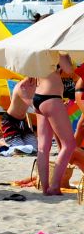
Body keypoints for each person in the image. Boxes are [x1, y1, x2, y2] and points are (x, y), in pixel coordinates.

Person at [27, 58, 80, 196]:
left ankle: (45, 188)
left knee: (43, 147)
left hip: (38, 97)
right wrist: (66, 58)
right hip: (51, 98)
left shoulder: (40, 51)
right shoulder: (57, 52)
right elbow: (69, 70)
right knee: (69, 144)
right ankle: (55, 186)